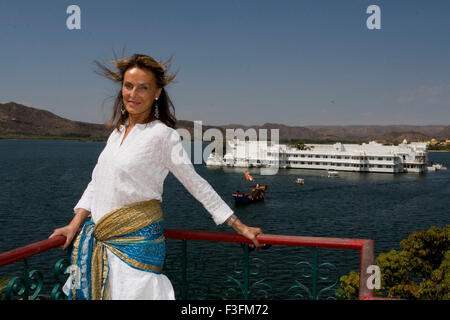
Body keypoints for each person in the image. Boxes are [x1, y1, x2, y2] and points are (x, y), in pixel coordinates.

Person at [49, 53, 262, 300]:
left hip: (135, 246)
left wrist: (238, 225)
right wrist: (73, 225)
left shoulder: (162, 135)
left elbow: (196, 184)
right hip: (101, 242)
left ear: (157, 93)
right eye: (128, 86)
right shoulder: (117, 133)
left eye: (143, 88)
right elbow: (97, 183)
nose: (133, 94)